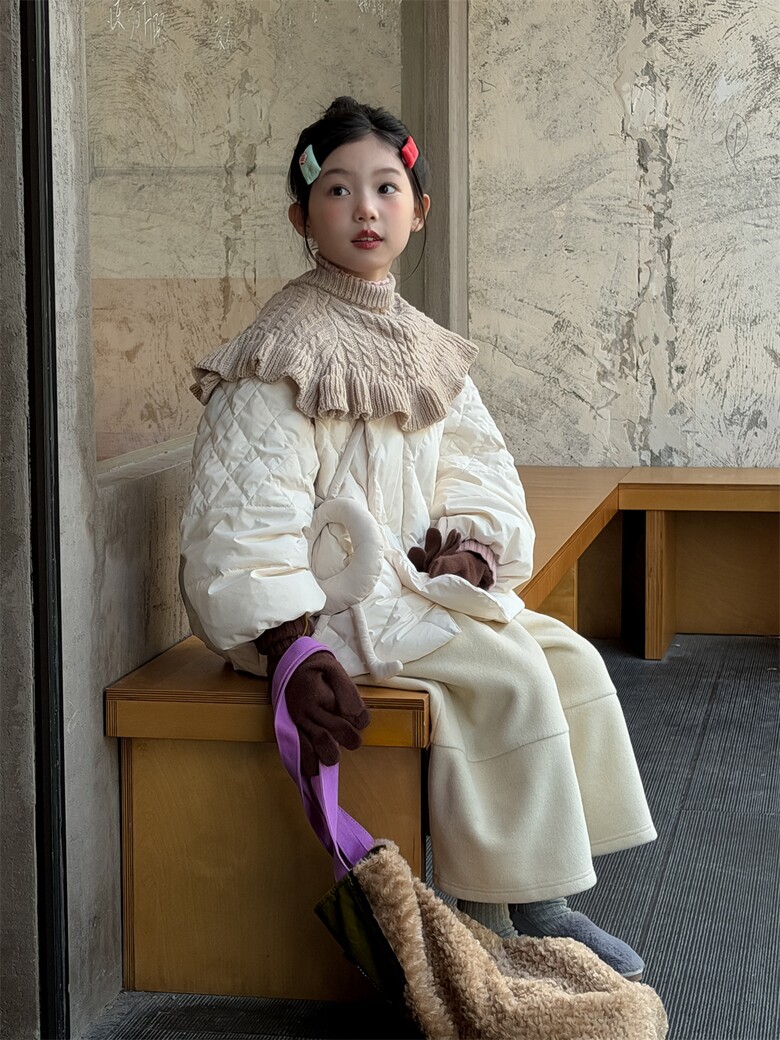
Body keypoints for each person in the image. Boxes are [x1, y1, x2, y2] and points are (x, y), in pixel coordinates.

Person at [179, 96, 656, 979]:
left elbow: (476, 468)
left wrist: (471, 548)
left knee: (566, 657)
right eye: (336, 189)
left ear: (418, 210)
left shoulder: (425, 346)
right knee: (507, 675)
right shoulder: (281, 350)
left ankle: (527, 884)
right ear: (302, 216)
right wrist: (286, 642)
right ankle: (526, 915)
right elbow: (243, 511)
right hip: (318, 614)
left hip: (407, 591)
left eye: (385, 188)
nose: (364, 208)